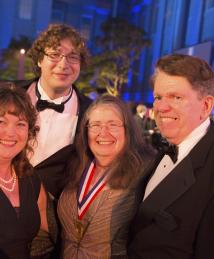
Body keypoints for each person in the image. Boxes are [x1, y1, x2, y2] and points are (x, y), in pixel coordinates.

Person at [128, 54, 214, 259]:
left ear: (206, 106)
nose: (161, 107)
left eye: (176, 97)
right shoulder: (162, 153)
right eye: (158, 97)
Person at [57, 95, 152, 258]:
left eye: (112, 125)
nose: (103, 133)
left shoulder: (144, 172)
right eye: (95, 125)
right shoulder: (75, 166)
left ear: (127, 130)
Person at [14, 23, 92, 199]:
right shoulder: (8, 95)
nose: (63, 64)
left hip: (54, 217)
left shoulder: (92, 112)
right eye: (55, 54)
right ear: (40, 60)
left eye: (73, 57)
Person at [0, 83, 48, 259]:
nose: (10, 133)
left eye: (20, 124)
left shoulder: (30, 178)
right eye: (1, 122)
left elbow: (46, 230)